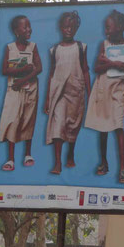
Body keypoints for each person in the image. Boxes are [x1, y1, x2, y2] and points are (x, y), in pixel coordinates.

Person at [85, 10, 124, 184]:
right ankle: (104, 162)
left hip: (117, 91)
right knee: (102, 128)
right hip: (102, 89)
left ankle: (122, 168)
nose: (105, 31)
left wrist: (109, 62)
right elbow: (96, 68)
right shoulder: (104, 44)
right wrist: (112, 63)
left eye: (108, 27)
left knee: (118, 126)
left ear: (119, 27)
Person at [45, 11, 91, 174]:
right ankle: (57, 162)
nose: (68, 30)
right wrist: (47, 100)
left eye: (71, 27)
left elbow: (85, 70)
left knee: (72, 125)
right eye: (65, 27)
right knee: (58, 124)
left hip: (76, 92)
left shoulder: (81, 47)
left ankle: (70, 153)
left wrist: (89, 92)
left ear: (76, 28)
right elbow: (51, 74)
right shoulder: (54, 49)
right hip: (59, 94)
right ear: (60, 27)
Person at [0, 15, 42, 171]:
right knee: (12, 120)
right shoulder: (10, 48)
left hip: (30, 89)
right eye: (25, 27)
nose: (29, 29)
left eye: (29, 26)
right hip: (14, 89)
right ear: (17, 31)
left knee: (28, 119)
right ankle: (10, 158)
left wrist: (24, 79)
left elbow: (39, 68)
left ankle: (28, 154)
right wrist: (21, 70)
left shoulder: (33, 47)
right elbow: (4, 70)